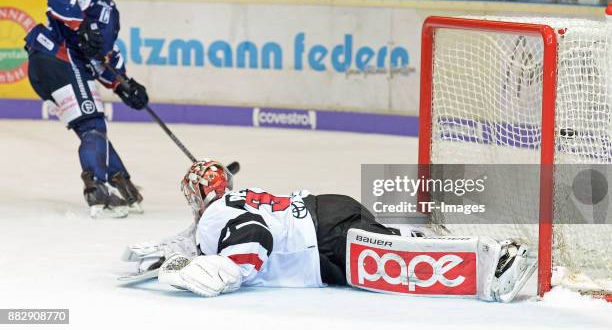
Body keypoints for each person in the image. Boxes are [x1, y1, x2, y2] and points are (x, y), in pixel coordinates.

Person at [122, 159, 537, 302]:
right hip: (327, 213)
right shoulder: (234, 200)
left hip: (321, 242)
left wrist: (225, 270)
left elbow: (252, 237)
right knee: (399, 243)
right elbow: (196, 238)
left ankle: (496, 263)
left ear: (197, 198)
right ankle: (493, 255)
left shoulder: (216, 217)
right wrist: (163, 256)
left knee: (403, 269)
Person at [24, 0, 149, 218]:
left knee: (89, 126)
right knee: (93, 124)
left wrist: (124, 84)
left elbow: (102, 59)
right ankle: (98, 192)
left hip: (55, 66)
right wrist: (80, 27)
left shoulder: (112, 15)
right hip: (56, 57)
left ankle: (122, 184)